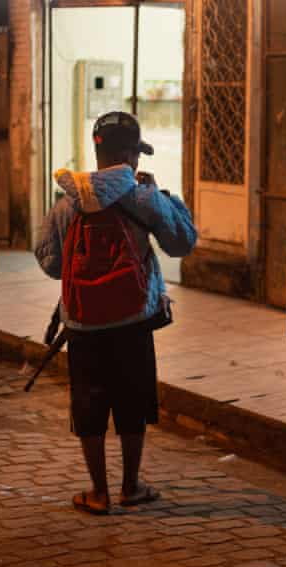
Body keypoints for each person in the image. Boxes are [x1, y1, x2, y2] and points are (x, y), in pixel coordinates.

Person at [35, 111, 197, 515]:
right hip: (132, 319)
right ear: (128, 154)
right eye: (136, 152)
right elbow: (182, 242)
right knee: (132, 401)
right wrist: (165, 197)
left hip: (82, 322)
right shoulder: (142, 197)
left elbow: (51, 262)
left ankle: (98, 492)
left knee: (88, 405)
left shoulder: (67, 201)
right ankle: (130, 486)